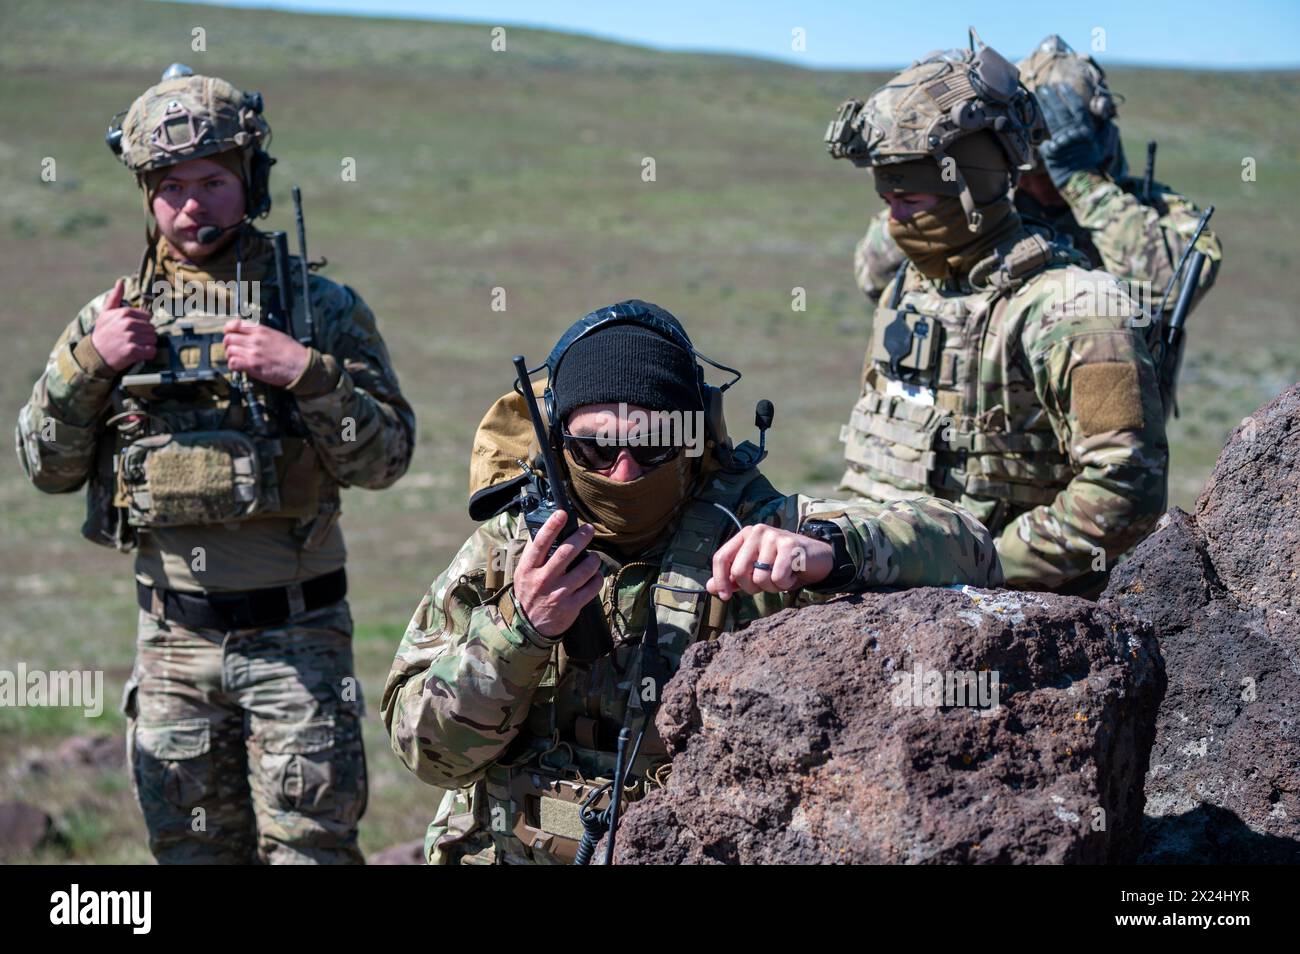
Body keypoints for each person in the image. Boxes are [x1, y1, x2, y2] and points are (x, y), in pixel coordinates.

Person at [383, 300, 1003, 864]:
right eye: (596, 449)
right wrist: (518, 630)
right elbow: (429, 753)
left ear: (694, 436)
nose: (623, 472)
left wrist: (832, 551)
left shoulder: (748, 525)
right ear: (556, 440)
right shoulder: (512, 548)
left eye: (652, 445)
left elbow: (971, 550)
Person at [14, 65, 415, 863]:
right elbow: (46, 468)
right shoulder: (112, 319)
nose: (193, 204)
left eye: (213, 181)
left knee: (312, 854)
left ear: (251, 179)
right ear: (145, 193)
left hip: (298, 639)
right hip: (172, 650)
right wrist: (88, 366)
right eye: (170, 186)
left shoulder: (318, 310)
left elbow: (386, 459)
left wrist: (306, 373)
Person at [824, 39, 1169, 595]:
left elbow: (1124, 489)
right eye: (887, 197)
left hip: (991, 610)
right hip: (866, 571)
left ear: (966, 184)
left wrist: (981, 568)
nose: (893, 217)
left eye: (910, 198)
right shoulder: (913, 277)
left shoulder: (1076, 309)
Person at [853, 35, 1221, 414]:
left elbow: (1165, 293)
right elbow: (874, 275)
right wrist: (955, 184)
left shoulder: (1155, 213)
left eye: (1052, 166)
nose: (1040, 182)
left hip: (1104, 422)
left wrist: (1081, 178)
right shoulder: (986, 211)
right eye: (1033, 163)